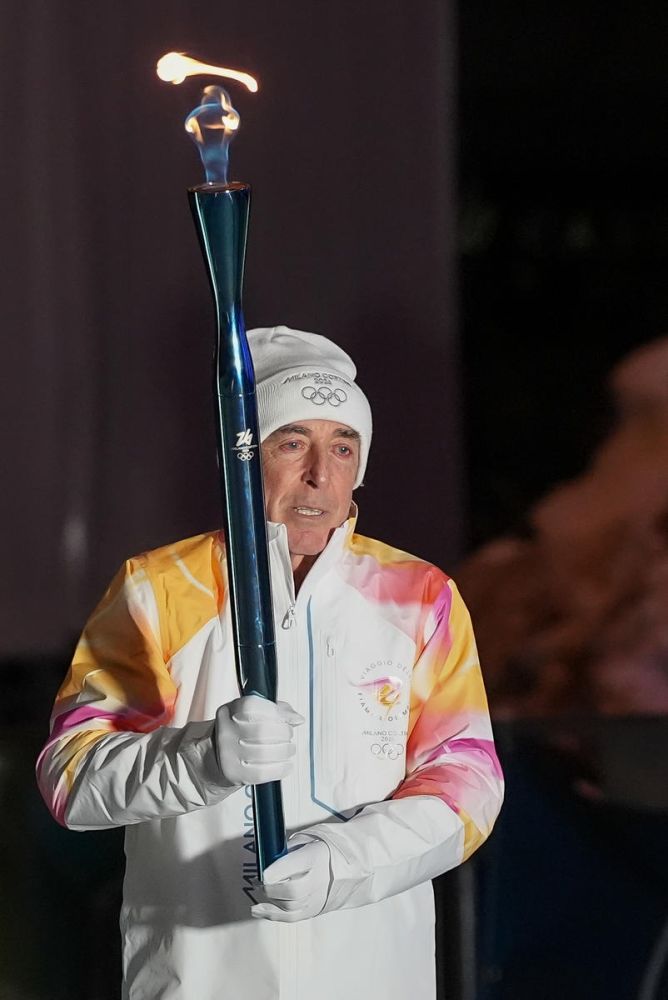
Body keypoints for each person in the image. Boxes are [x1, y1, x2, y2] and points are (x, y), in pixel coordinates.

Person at [37, 326, 504, 1000]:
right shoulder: (161, 590)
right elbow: (71, 779)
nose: (320, 474)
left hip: (372, 977)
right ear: (243, 457)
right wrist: (200, 759)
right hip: (201, 979)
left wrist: (342, 864)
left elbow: (468, 783)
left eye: (343, 447)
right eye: (292, 443)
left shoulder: (418, 596)